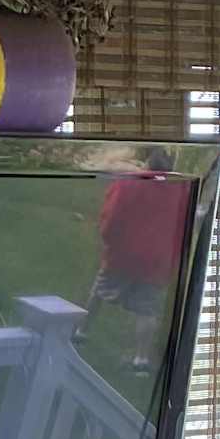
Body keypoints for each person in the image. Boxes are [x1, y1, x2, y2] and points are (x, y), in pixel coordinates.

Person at [88, 155, 185, 374]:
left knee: (99, 291)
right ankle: (140, 359)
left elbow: (111, 216)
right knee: (147, 310)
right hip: (157, 260)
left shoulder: (128, 183)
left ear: (147, 165)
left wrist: (108, 239)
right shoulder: (181, 190)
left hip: (123, 253)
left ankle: (81, 332)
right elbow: (182, 227)